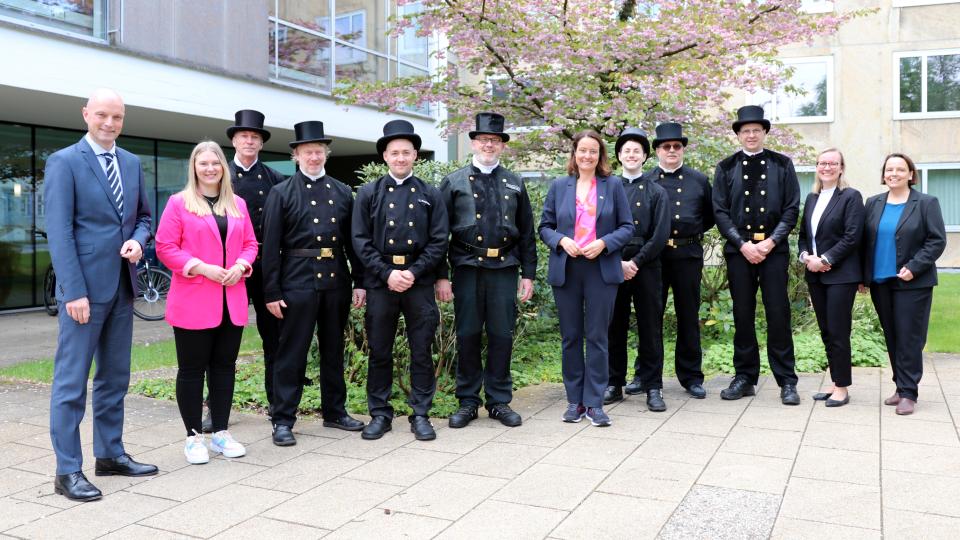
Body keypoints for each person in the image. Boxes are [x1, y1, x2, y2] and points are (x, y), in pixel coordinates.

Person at [44, 88, 157, 501]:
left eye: (118, 117)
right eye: (103, 115)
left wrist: (140, 241)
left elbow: (144, 217)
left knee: (114, 378)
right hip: (84, 294)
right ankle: (67, 471)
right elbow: (60, 232)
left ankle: (109, 455)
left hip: (122, 287)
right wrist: (72, 291)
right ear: (86, 115)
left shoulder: (130, 162)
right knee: (71, 383)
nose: (110, 123)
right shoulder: (64, 162)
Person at [261, 121, 366, 446]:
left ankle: (334, 411)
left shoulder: (341, 191)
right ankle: (283, 419)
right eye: (308, 151)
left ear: (326, 154)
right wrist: (272, 291)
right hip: (297, 281)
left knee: (334, 350)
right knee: (291, 352)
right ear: (296, 155)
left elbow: (353, 242)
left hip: (335, 281)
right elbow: (271, 246)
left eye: (319, 151)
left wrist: (360, 282)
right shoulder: (281, 193)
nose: (314, 156)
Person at [156, 141, 258, 464]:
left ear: (223, 168)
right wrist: (203, 268)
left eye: (216, 163)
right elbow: (165, 247)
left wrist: (241, 265)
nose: (211, 168)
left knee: (224, 369)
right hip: (194, 300)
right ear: (194, 168)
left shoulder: (237, 204)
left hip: (232, 299)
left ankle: (221, 433)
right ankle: (193, 437)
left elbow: (251, 244)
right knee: (191, 370)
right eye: (204, 164)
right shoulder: (178, 204)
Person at [436, 112, 536, 429]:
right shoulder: (453, 182)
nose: (488, 145)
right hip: (466, 268)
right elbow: (439, 234)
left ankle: (498, 401)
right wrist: (442, 275)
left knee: (501, 335)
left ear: (502, 146)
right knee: (467, 334)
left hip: (504, 268)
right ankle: (467, 401)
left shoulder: (515, 182)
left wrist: (528, 274)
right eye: (483, 140)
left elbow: (527, 233)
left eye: (494, 140)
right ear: (473, 143)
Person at [352, 120, 449, 441]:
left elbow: (438, 241)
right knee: (380, 350)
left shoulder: (430, 194)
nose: (400, 158)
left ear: (415, 155)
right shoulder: (368, 193)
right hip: (382, 281)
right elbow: (359, 240)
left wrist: (413, 272)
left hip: (417, 281)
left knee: (421, 350)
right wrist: (387, 273)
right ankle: (380, 413)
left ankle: (420, 412)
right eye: (394, 152)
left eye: (406, 152)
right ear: (385, 156)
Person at [539, 130, 634, 427]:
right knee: (570, 338)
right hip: (567, 268)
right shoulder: (559, 185)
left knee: (597, 337)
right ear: (575, 153)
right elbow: (545, 226)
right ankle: (574, 401)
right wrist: (560, 241)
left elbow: (627, 227)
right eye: (582, 150)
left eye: (593, 151)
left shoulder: (613, 185)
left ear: (600, 155)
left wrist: (604, 243)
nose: (587, 156)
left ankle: (594, 403)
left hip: (600, 268)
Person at [713, 105, 801, 405]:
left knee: (778, 314)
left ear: (764, 132)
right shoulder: (725, 167)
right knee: (742, 315)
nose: (751, 135)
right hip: (740, 252)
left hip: (773, 251)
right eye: (745, 131)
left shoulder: (782, 164)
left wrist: (771, 242)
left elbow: (791, 209)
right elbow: (720, 212)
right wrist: (743, 244)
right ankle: (745, 377)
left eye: (756, 130)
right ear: (738, 135)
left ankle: (787, 380)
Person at [208, 109, 285, 431]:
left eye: (255, 137)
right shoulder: (216, 176)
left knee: (275, 340)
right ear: (234, 141)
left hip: (267, 269)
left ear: (261, 143)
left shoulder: (276, 179)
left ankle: (279, 406)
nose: (249, 141)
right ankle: (216, 410)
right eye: (244, 137)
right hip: (228, 270)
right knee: (221, 340)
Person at [862, 153, 945, 415]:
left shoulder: (926, 203)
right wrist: (864, 278)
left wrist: (915, 267)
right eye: (889, 169)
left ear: (911, 174)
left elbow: (936, 240)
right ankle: (900, 386)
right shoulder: (873, 203)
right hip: (880, 281)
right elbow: (866, 242)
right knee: (892, 335)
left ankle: (909, 392)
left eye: (900, 169)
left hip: (913, 282)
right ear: (883, 174)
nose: (894, 173)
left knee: (909, 336)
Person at [604, 127, 670, 412]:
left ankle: (652, 385)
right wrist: (617, 261)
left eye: (637, 151)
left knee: (650, 327)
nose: (631, 155)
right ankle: (613, 383)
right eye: (626, 150)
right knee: (613, 326)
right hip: (612, 264)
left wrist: (636, 262)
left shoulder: (657, 191)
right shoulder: (607, 188)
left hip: (647, 266)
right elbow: (601, 228)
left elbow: (660, 233)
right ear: (619, 156)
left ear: (645, 156)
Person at [647, 123, 714, 401]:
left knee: (688, 315)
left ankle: (691, 376)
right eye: (666, 146)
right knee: (651, 316)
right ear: (657, 151)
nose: (672, 150)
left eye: (677, 146)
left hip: (688, 255)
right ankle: (646, 375)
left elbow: (709, 216)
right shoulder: (647, 180)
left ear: (683, 149)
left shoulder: (699, 180)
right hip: (655, 257)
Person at [798, 148, 864, 408]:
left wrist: (824, 260)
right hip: (815, 275)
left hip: (840, 275)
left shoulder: (850, 197)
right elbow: (804, 235)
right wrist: (806, 257)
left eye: (832, 163)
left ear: (841, 167)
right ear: (817, 167)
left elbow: (852, 236)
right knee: (826, 331)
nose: (826, 167)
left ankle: (843, 388)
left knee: (838, 330)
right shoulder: (812, 198)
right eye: (822, 163)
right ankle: (836, 381)